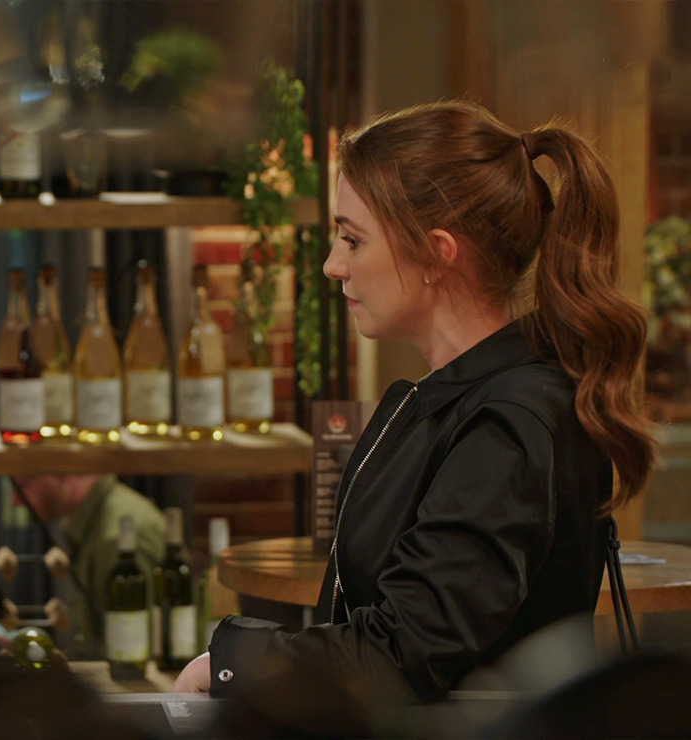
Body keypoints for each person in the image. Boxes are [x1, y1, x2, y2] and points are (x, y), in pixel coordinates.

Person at [173, 101, 655, 709]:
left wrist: (235, 661)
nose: (332, 265)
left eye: (353, 240)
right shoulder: (451, 400)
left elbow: (403, 654)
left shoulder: (508, 424)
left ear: (437, 253)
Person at [13, 473, 165, 660]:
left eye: (24, 485)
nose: (16, 501)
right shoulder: (92, 524)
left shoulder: (116, 535)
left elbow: (138, 655)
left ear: (62, 471)